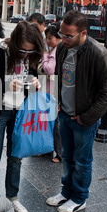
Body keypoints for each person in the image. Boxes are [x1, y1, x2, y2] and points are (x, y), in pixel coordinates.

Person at [46, 11, 107, 212]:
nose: (63, 39)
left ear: (83, 33)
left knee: (82, 160)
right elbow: (59, 77)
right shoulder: (62, 49)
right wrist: (58, 102)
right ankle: (66, 191)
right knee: (67, 156)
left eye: (69, 36)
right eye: (62, 34)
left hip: (84, 118)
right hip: (65, 113)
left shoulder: (98, 54)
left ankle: (79, 197)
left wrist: (86, 118)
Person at [0, 21, 44, 212]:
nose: (26, 55)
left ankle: (12, 198)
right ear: (15, 42)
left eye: (30, 52)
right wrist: (7, 86)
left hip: (20, 112)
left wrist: (35, 82)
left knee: (16, 157)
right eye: (23, 51)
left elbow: (31, 75)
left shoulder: (31, 56)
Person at [40, 23, 62, 163]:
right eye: (46, 38)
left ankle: (59, 154)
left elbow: (49, 70)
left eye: (50, 38)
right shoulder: (55, 50)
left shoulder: (54, 52)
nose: (48, 41)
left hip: (53, 91)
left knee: (54, 125)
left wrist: (45, 56)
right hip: (50, 90)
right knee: (48, 123)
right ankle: (48, 150)